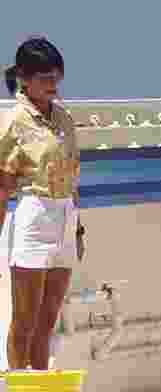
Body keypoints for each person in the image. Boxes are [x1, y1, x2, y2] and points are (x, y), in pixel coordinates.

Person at [0, 36, 84, 372]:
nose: (53, 84)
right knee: (25, 319)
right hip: (33, 215)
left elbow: (72, 176)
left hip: (65, 216)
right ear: (24, 78)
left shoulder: (64, 119)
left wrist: (78, 229)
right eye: (45, 77)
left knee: (49, 320)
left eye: (56, 77)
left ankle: (41, 387)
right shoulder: (14, 122)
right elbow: (3, 186)